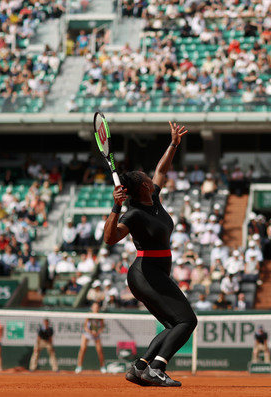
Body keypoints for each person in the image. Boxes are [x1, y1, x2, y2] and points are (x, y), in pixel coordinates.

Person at [103, 121, 196, 387]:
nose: (150, 177)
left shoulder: (153, 198)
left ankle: (139, 367)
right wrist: (115, 206)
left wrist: (174, 144)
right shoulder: (133, 213)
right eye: (145, 177)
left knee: (172, 324)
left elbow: (161, 169)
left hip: (154, 273)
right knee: (187, 320)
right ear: (142, 186)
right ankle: (157, 368)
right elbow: (110, 238)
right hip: (145, 273)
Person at [75, 302, 106, 374]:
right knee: (82, 349)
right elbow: (85, 326)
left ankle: (102, 367)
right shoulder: (89, 315)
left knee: (99, 350)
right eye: (94, 307)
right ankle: (79, 366)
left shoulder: (100, 316)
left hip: (96, 334)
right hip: (87, 333)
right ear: (92, 308)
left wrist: (97, 332)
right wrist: (90, 332)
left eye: (97, 307)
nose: (96, 308)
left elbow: (102, 326)